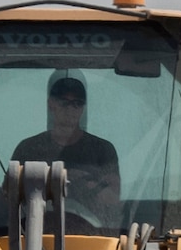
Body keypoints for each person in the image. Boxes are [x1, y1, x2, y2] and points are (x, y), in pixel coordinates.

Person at [11, 76, 122, 227]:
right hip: (32, 233)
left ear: (83, 107)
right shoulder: (28, 148)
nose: (70, 109)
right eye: (64, 102)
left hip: (94, 237)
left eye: (77, 103)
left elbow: (113, 200)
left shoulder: (103, 150)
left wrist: (85, 184)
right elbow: (9, 199)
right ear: (51, 104)